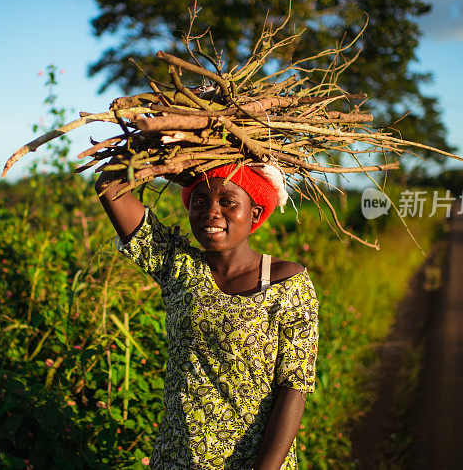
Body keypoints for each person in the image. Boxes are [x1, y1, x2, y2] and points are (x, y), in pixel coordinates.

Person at [95, 161, 319, 470]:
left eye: (227, 201)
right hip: (177, 459)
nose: (211, 211)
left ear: (254, 212)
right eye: (200, 201)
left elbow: (294, 386)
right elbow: (110, 187)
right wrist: (159, 152)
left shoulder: (286, 281)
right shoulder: (177, 266)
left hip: (254, 462)